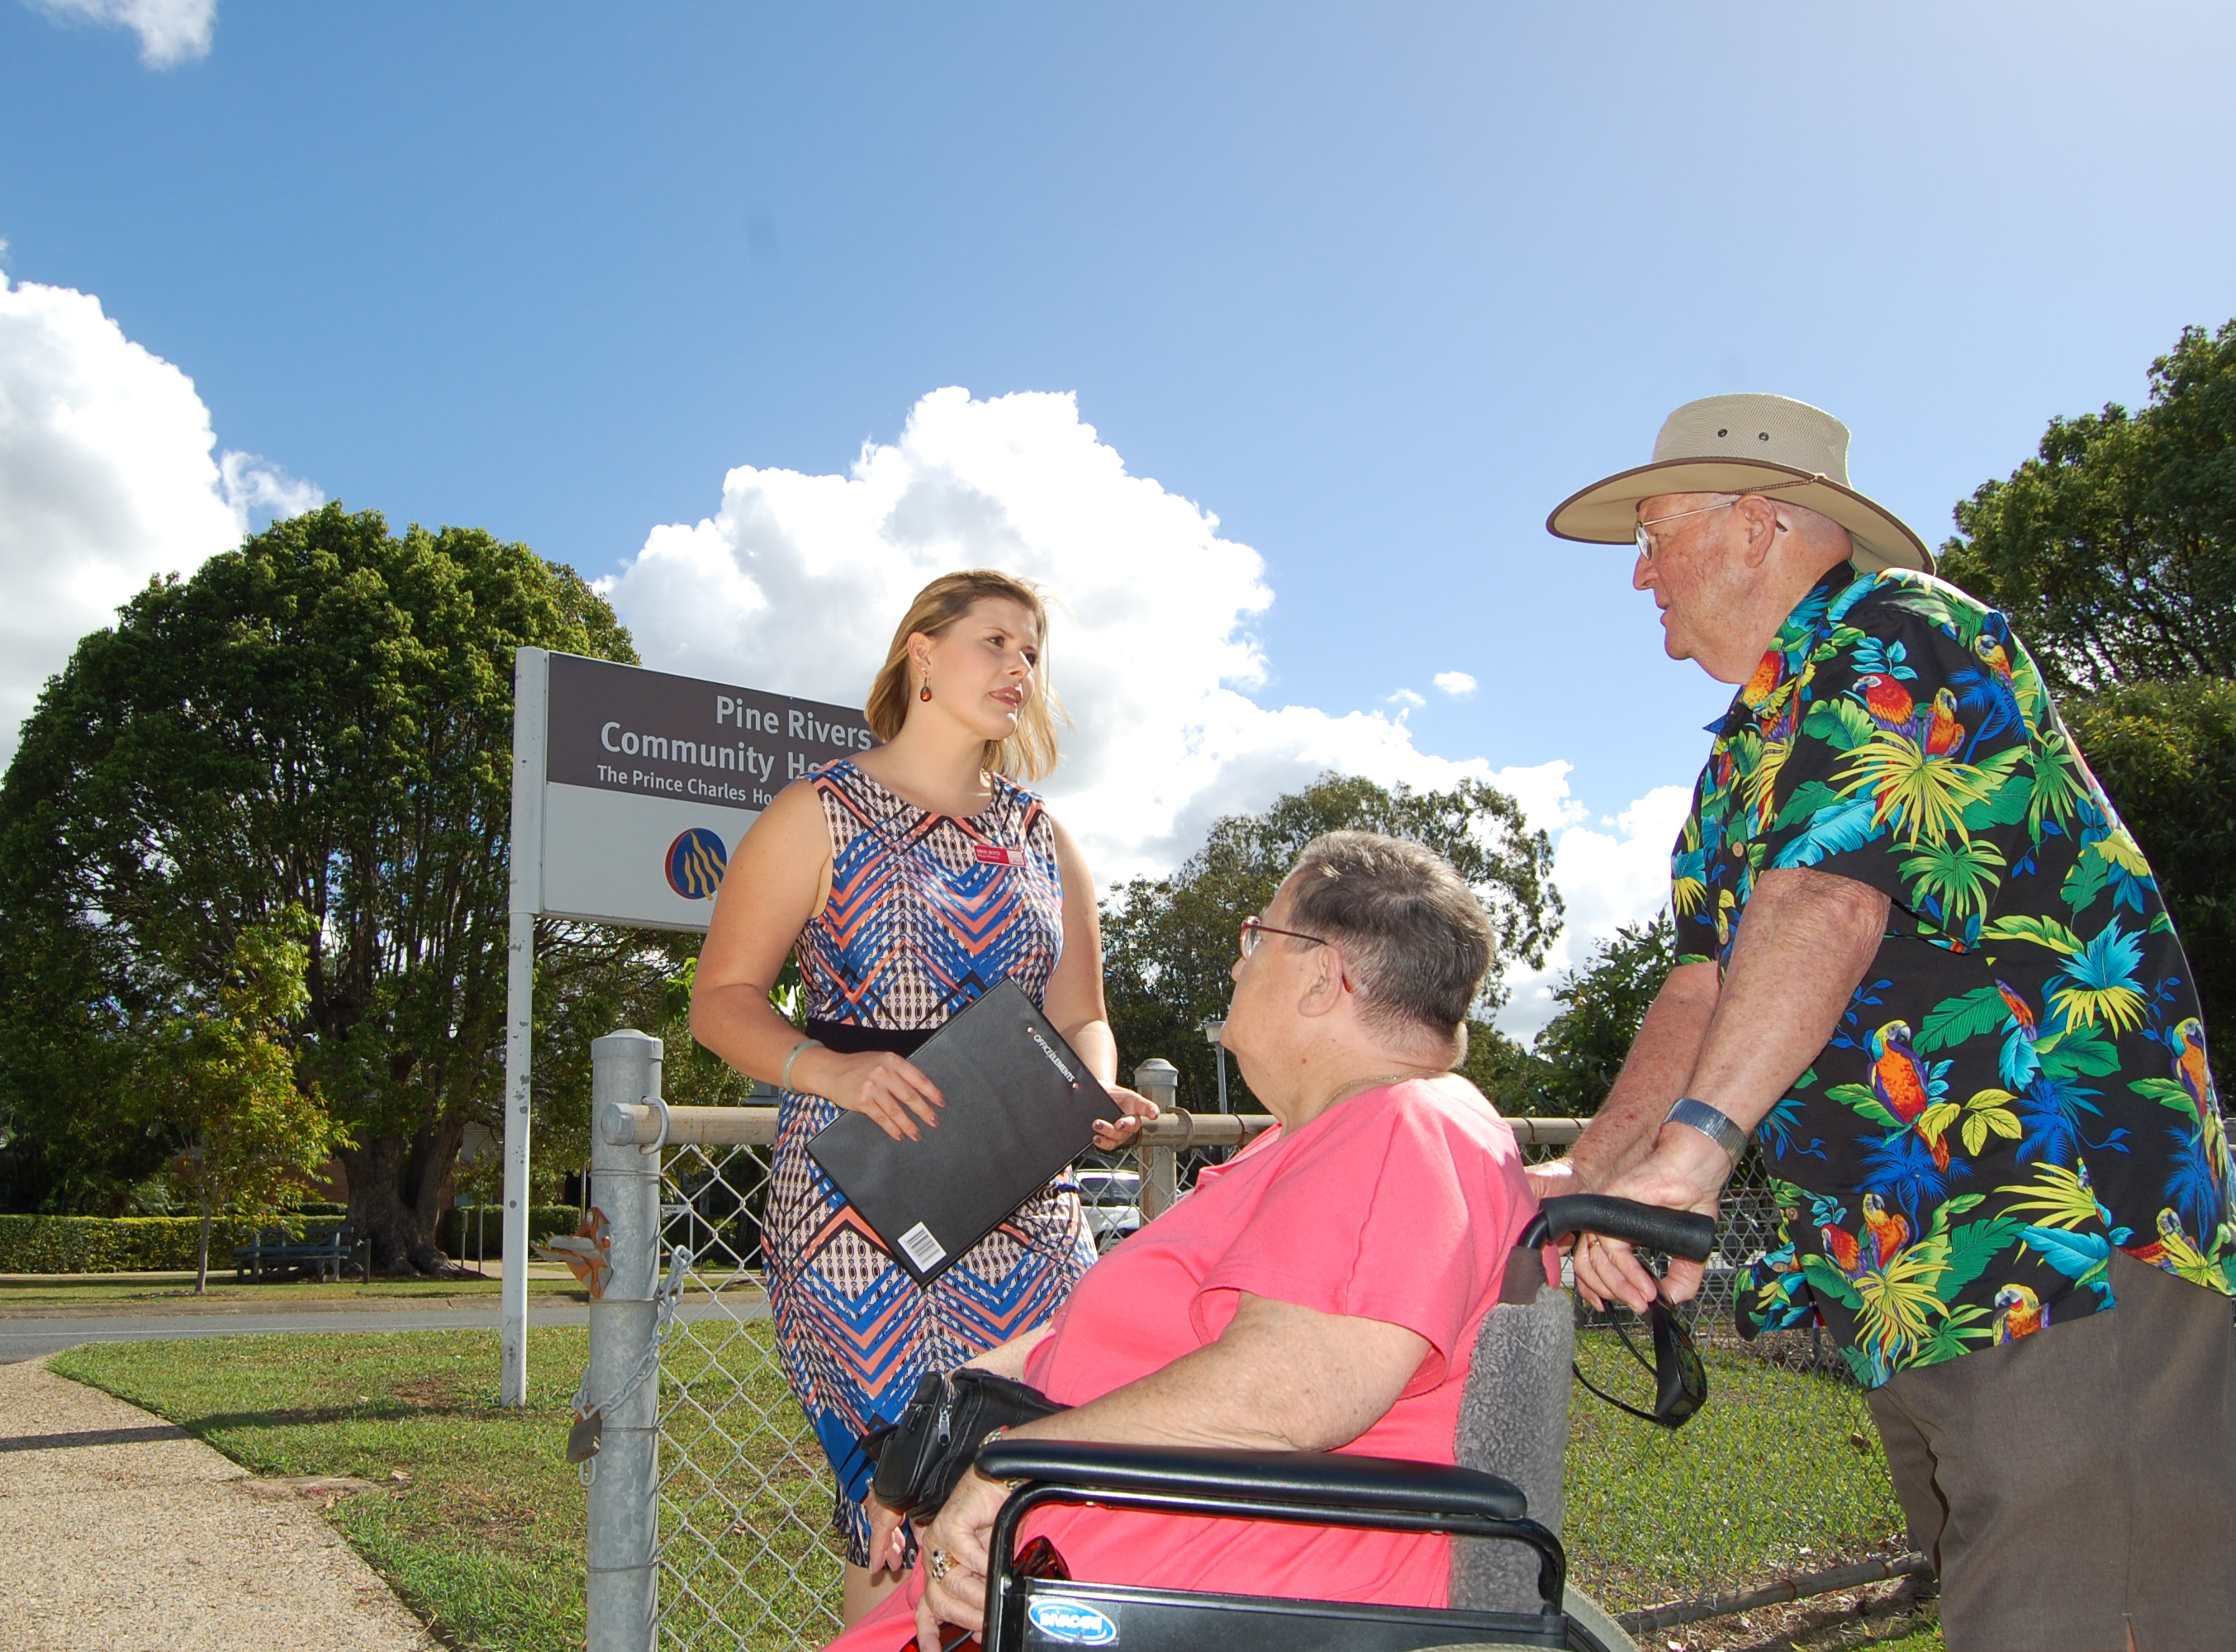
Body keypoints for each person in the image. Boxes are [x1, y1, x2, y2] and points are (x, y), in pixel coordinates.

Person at [1536, 393, 2236, 1650]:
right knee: (2003, 1590)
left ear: (1754, 524)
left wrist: (1693, 1155)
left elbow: (1826, 900)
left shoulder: (1898, 632)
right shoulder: (1745, 747)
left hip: (2049, 1225)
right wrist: (1593, 1176)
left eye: (1655, 531)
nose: (1638, 571)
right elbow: (1701, 983)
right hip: (1903, 1259)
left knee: (2087, 1607)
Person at [814, 830, 1538, 1652]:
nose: (1237, 963)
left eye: (1256, 934)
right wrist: (935, 1422)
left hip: (1183, 1588)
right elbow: (1127, 1338)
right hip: (1118, 1561)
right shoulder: (1321, 1138)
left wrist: (1012, 1463)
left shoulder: (1400, 1126)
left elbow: (1292, 1390)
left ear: (1318, 978)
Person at [691, 569, 1156, 1629]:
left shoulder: (1044, 833)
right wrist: (831, 1067)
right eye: (995, 642)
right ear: (922, 655)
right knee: (900, 1499)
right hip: (861, 1199)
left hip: (1021, 1200)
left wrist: (1090, 1085)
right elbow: (719, 1001)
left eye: (1031, 653)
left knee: (1037, 1484)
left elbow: (1080, 1008)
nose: (1018, 669)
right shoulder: (817, 811)